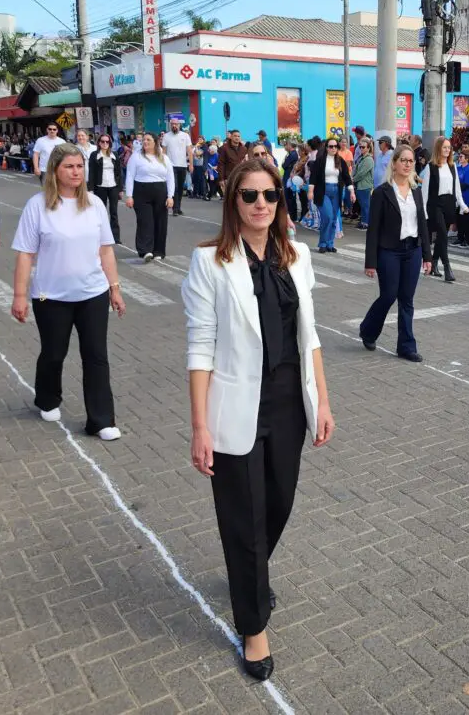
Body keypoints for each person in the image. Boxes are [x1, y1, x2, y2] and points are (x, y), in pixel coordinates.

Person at [181, 158, 334, 682]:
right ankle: (253, 625)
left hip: (289, 400)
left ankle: (248, 571)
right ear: (233, 203)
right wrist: (199, 426)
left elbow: (309, 336)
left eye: (269, 195)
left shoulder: (298, 256)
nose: (261, 204)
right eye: (249, 196)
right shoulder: (210, 262)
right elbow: (200, 347)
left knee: (280, 501)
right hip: (235, 404)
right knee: (244, 516)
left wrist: (324, 401)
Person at [12, 144, 126, 438]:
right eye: (69, 167)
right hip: (51, 296)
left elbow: (106, 251)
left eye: (80, 166)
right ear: (55, 171)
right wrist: (20, 295)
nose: (76, 172)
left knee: (96, 356)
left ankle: (102, 420)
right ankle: (48, 398)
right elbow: (25, 254)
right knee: (53, 353)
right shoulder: (37, 206)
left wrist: (115, 288)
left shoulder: (95, 204)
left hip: (92, 293)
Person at [360, 145, 434, 361]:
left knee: (407, 299)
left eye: (411, 161)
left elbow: (422, 224)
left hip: (413, 250)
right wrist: (370, 262)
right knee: (388, 295)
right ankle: (368, 330)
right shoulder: (382, 192)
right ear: (394, 163)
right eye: (403, 160)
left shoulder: (417, 192)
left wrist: (427, 256)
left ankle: (406, 346)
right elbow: (373, 229)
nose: (407, 164)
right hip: (389, 251)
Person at [124, 133, 175, 262]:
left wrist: (170, 196)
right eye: (144, 140)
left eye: (148, 140)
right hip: (141, 191)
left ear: (155, 142)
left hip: (160, 191)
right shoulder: (136, 157)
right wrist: (129, 196)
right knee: (145, 221)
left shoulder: (164, 158)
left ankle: (158, 251)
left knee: (160, 222)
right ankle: (145, 250)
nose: (145, 142)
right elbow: (129, 176)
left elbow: (170, 178)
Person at [423, 137, 468, 280]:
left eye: (449, 148)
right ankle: (447, 266)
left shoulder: (452, 166)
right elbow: (425, 191)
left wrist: (462, 204)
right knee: (442, 234)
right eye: (444, 147)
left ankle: (434, 263)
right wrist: (423, 210)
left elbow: (457, 188)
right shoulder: (431, 167)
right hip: (435, 203)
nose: (447, 150)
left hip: (449, 203)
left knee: (442, 237)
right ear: (438, 149)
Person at [307, 137, 355, 253]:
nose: (333, 148)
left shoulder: (340, 161)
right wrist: (310, 191)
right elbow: (313, 177)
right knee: (327, 217)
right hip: (323, 191)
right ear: (327, 148)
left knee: (333, 219)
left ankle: (330, 244)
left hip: (337, 191)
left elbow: (347, 178)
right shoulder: (320, 160)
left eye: (335, 146)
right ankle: (322, 243)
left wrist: (352, 192)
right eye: (331, 146)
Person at [87, 134, 124, 245]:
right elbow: (91, 172)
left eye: (107, 142)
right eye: (102, 141)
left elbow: (119, 173)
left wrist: (120, 189)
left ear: (110, 143)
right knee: (100, 212)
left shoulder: (115, 155)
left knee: (114, 212)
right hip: (100, 187)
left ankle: (116, 237)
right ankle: (100, 236)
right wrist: (90, 189)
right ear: (98, 143)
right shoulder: (94, 155)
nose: (104, 144)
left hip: (113, 186)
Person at [163, 120, 192, 217]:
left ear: (179, 125)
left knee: (180, 188)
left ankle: (178, 207)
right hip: (170, 165)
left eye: (176, 124)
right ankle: (175, 209)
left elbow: (189, 151)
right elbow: (164, 152)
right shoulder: (166, 136)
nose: (174, 126)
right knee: (174, 187)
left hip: (182, 165)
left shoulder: (185, 136)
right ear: (170, 125)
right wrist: (163, 165)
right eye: (172, 124)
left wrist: (191, 164)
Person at [352, 137, 375, 229]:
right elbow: (356, 169)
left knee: (365, 205)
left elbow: (361, 173)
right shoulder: (361, 158)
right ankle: (363, 221)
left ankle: (366, 223)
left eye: (363, 147)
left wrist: (353, 179)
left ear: (368, 148)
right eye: (360, 147)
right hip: (360, 185)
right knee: (363, 205)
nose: (361, 148)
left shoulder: (369, 159)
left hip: (365, 185)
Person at [455, 149, 469, 248]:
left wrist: (456, 186)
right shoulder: (458, 168)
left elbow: (467, 184)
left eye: (461, 156)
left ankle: (467, 239)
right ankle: (460, 237)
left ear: (467, 158)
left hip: (466, 198)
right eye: (459, 156)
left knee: (466, 220)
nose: (459, 158)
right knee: (459, 219)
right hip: (458, 198)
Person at [217, 129, 248, 195]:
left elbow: (246, 163)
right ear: (231, 137)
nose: (237, 138)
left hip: (241, 177)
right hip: (228, 178)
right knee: (230, 199)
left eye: (238, 136)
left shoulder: (244, 149)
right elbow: (221, 164)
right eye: (235, 136)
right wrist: (221, 179)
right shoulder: (224, 148)